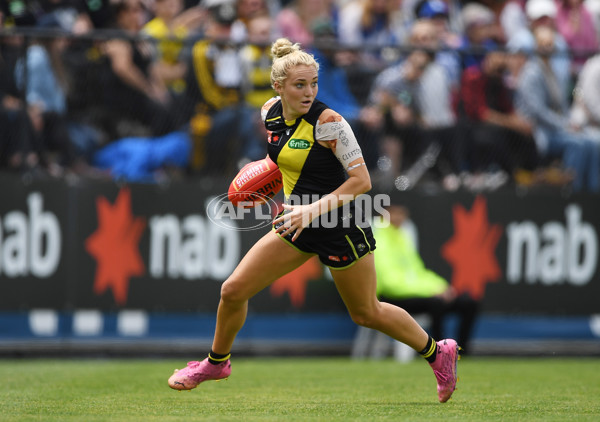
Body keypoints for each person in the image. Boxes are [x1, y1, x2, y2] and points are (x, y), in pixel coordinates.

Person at [167, 38, 460, 403]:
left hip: (341, 226)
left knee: (367, 312)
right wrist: (259, 173)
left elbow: (363, 182)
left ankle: (438, 353)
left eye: (313, 84)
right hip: (297, 223)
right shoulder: (269, 112)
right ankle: (217, 362)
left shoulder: (330, 123)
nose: (308, 92)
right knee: (232, 290)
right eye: (299, 85)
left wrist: (309, 209)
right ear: (279, 87)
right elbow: (280, 159)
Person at [374, 205, 480, 354]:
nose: (399, 218)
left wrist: (442, 287)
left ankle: (462, 353)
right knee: (436, 303)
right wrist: (432, 291)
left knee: (469, 303)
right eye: (395, 214)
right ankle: (438, 354)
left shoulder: (401, 238)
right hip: (391, 298)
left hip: (415, 293)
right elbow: (390, 284)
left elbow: (418, 272)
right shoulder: (378, 240)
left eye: (402, 214)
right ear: (384, 216)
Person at [514, 25, 599, 192]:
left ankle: (592, 192)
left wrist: (572, 121)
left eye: (550, 43)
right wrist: (565, 125)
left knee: (593, 143)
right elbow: (538, 111)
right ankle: (569, 192)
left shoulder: (554, 70)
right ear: (536, 45)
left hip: (560, 127)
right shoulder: (531, 72)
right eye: (543, 43)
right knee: (578, 144)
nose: (547, 47)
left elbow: (573, 94)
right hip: (542, 132)